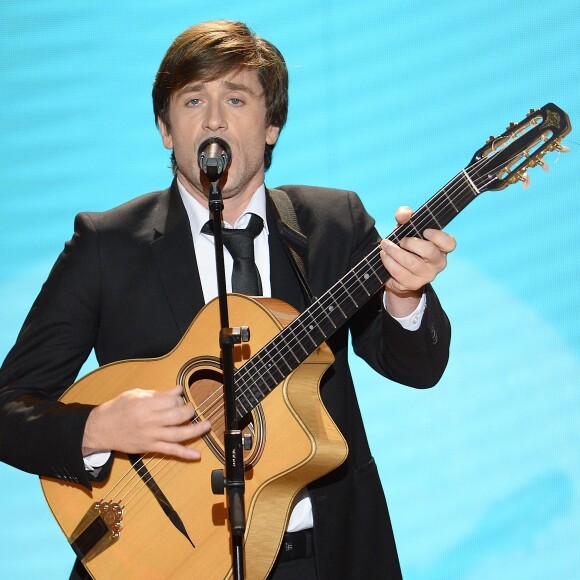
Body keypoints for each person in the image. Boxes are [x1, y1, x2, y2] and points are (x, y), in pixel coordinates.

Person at [0, 20, 455, 580]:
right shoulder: (106, 245)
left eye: (236, 98)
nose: (214, 118)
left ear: (272, 125)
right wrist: (97, 428)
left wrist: (406, 298)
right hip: (164, 557)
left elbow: (417, 367)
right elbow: (9, 408)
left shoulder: (333, 224)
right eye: (194, 99)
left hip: (324, 559)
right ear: (166, 128)